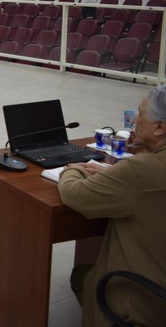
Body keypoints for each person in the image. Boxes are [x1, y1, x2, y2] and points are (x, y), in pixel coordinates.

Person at [58, 85, 166, 326]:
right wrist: (116, 175)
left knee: (83, 276)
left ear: (160, 127)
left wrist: (72, 169)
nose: (134, 120)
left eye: (141, 113)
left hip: (145, 303)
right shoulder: (140, 171)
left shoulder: (140, 170)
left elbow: (76, 195)